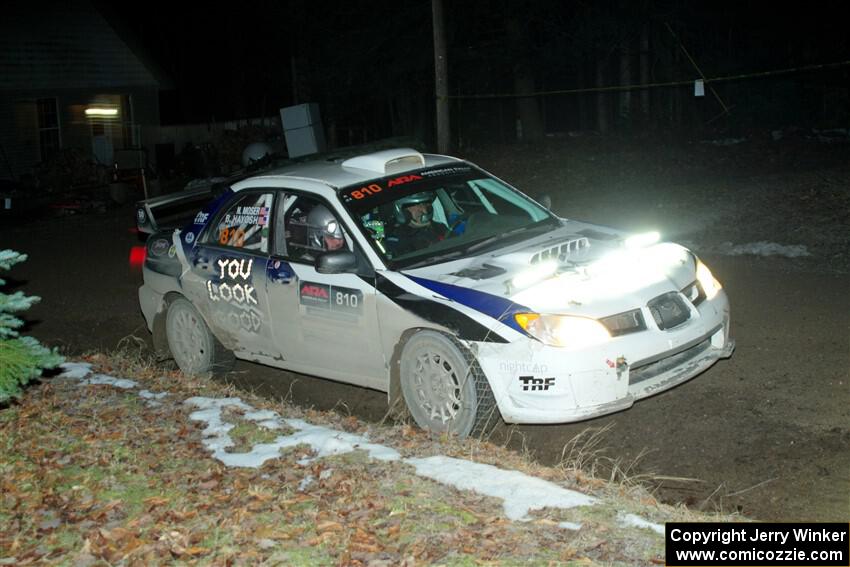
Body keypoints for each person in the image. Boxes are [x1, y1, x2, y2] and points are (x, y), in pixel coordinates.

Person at [386, 192, 445, 256]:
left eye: (424, 204)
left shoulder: (439, 227)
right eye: (417, 206)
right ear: (404, 211)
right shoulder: (396, 239)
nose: (424, 210)